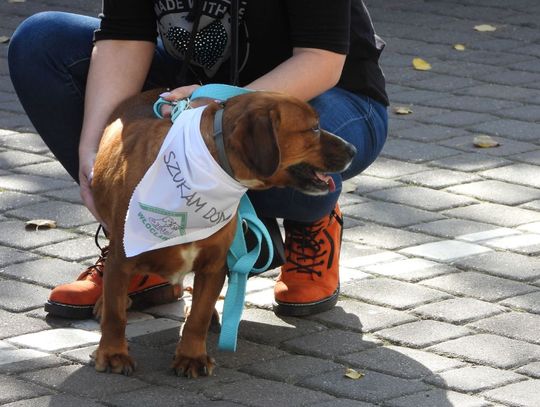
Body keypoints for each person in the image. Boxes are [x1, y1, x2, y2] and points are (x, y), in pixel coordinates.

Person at [8, 0, 388, 319]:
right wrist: (94, 151)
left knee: (283, 145)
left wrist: (223, 107)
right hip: (197, 95)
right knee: (42, 41)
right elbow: (124, 39)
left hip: (326, 96)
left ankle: (311, 220)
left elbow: (320, 60)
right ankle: (144, 247)